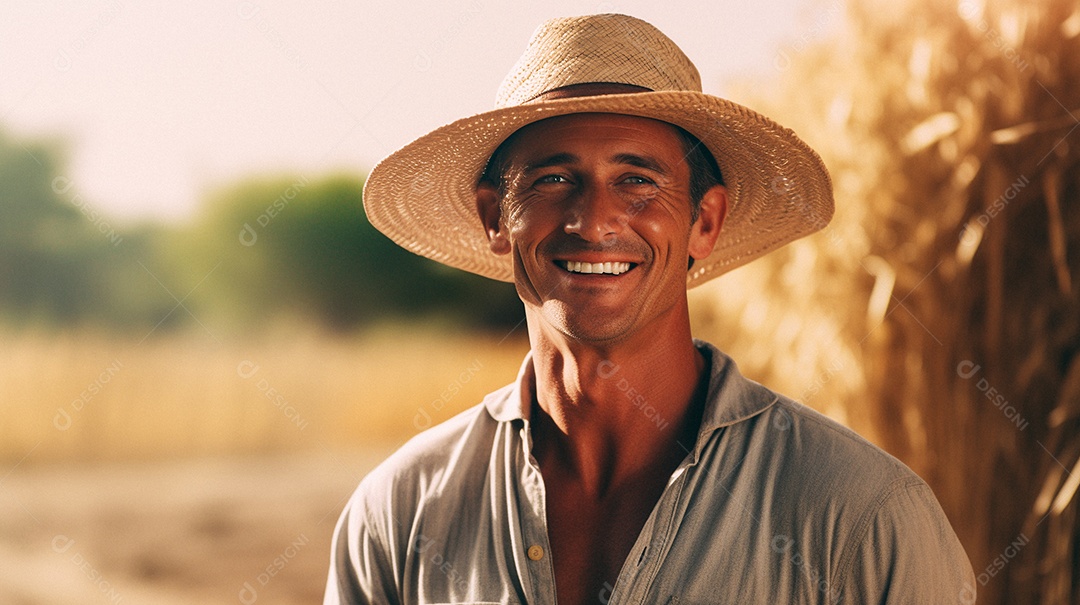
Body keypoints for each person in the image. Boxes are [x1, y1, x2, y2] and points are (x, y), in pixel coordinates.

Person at [325, 13, 975, 605]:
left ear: (705, 222)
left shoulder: (863, 518)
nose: (594, 219)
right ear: (497, 219)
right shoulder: (400, 515)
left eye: (638, 180)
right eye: (554, 178)